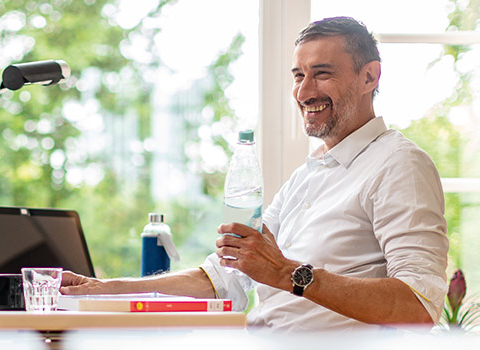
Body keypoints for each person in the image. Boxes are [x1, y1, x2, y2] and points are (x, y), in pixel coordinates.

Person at [60, 16, 448, 332]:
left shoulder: (400, 165)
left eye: (322, 73)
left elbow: (419, 306)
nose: (303, 91)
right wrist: (104, 288)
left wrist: (285, 272)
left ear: (370, 77)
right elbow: (224, 277)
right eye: (298, 75)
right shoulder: (309, 176)